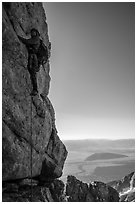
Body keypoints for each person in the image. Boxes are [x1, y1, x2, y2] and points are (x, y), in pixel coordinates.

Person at [18, 28, 48, 95]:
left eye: (34, 32)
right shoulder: (37, 40)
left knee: (33, 72)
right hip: (36, 59)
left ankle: (35, 89)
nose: (32, 33)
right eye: (32, 32)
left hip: (35, 58)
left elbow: (27, 42)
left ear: (37, 33)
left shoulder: (36, 39)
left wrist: (19, 37)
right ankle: (35, 89)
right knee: (32, 72)